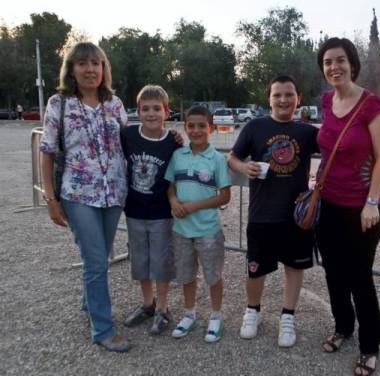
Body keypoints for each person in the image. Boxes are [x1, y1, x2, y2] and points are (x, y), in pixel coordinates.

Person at [39, 42, 130, 352]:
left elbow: (129, 142)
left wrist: (168, 139)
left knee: (101, 255)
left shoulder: (114, 103)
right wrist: (50, 199)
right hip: (77, 193)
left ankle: (88, 302)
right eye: (83, 63)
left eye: (96, 63)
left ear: (103, 69)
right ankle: (103, 329)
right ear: (72, 69)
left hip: (114, 192)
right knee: (94, 259)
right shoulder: (58, 103)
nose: (90, 69)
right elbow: (48, 152)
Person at [315, 37, 380, 376]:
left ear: (353, 63)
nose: (334, 67)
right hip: (329, 204)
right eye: (328, 61)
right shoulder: (327, 101)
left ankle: (370, 346)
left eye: (340, 60)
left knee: (360, 278)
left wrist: (372, 202)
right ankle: (343, 327)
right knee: (333, 274)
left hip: (362, 210)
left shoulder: (372, 106)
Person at [228, 75, 319, 348]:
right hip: (261, 214)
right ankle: (252, 311)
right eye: (277, 94)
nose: (283, 99)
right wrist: (245, 168)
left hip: (295, 216)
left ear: (298, 98)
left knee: (294, 267)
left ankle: (287, 317)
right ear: (269, 98)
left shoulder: (307, 132)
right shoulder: (254, 127)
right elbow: (232, 158)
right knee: (255, 269)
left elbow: (336, 146)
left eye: (289, 94)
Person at [165, 105, 231, 342]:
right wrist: (173, 201)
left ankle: (215, 316)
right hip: (181, 229)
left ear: (211, 128)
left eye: (201, 125)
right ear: (185, 127)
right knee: (186, 274)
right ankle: (190, 313)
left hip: (207, 230)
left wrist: (194, 206)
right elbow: (170, 186)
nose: (196, 130)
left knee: (213, 274)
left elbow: (224, 196)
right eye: (191, 126)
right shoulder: (178, 155)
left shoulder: (217, 159)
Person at [120, 85, 179, 335]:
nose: (151, 113)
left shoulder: (172, 142)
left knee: (161, 261)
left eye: (157, 108)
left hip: (161, 213)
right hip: (134, 210)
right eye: (145, 109)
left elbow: (176, 177)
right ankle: (147, 303)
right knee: (140, 260)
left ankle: (163, 308)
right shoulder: (128, 135)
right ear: (138, 111)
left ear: (166, 112)